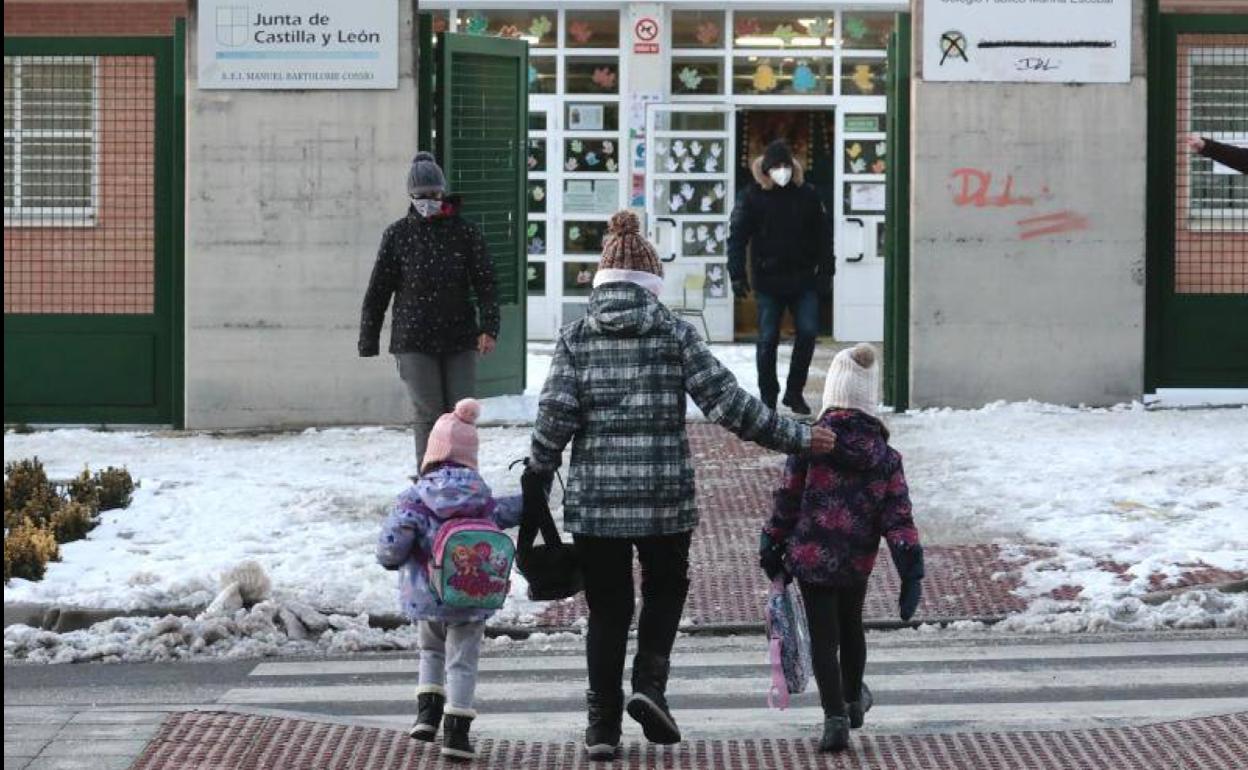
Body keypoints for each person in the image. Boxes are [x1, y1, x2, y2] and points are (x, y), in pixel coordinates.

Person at [526, 210, 838, 761]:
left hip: (597, 504)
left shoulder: (575, 337)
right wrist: (798, 437)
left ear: (601, 281)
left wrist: (539, 467)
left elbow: (555, 415)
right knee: (666, 586)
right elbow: (728, 404)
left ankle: (602, 726)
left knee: (608, 607)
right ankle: (650, 684)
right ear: (651, 284)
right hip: (664, 497)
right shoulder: (674, 333)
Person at [759, 344, 924, 753]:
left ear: (833, 392)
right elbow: (898, 517)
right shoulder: (885, 457)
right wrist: (910, 570)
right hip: (856, 559)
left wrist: (772, 540)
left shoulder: (810, 444)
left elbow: (787, 499)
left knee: (823, 638)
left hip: (810, 558)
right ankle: (852, 700)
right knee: (852, 626)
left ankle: (834, 718)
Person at [376, 398, 522, 762]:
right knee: (462, 663)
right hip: (472, 596)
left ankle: (427, 716)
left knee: (430, 650)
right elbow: (511, 511)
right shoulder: (482, 498)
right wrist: (534, 489)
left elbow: (392, 547)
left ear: (433, 453)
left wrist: (391, 560)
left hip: (426, 595)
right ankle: (457, 734)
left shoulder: (415, 498)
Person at [359, 151, 500, 467]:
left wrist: (489, 327)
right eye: (421, 196)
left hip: (459, 335)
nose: (428, 201)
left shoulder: (465, 232)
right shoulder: (397, 235)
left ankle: (462, 474)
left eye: (434, 194)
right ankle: (430, 477)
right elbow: (378, 290)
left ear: (443, 192)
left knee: (461, 411)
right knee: (428, 413)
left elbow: (486, 283)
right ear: (411, 196)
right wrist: (368, 339)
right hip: (413, 338)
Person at [728, 139, 835, 415]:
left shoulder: (808, 195)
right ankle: (768, 396)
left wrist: (826, 271)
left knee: (808, 333)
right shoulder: (752, 197)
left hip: (803, 279)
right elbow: (737, 237)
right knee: (767, 340)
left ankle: (794, 392)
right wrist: (736, 274)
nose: (782, 171)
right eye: (776, 166)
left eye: (786, 165)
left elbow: (824, 237)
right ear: (766, 169)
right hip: (768, 281)